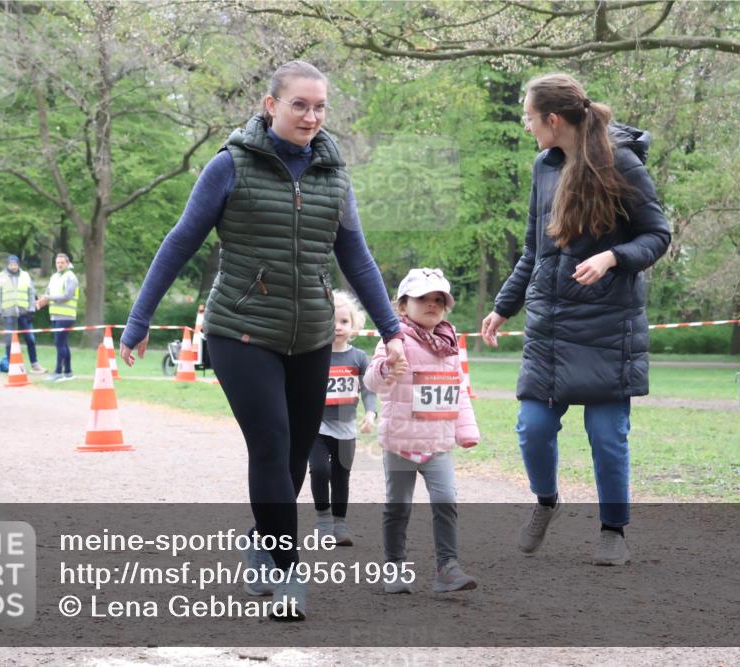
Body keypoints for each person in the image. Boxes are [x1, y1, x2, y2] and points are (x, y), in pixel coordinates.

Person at [118, 61, 405, 621]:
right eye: (300, 104)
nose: (312, 116)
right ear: (270, 105)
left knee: (295, 457)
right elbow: (180, 242)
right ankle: (289, 573)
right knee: (271, 444)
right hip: (240, 330)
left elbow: (356, 257)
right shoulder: (230, 166)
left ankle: (262, 539)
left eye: (320, 107)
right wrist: (139, 319)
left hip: (311, 334)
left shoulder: (334, 174)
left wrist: (392, 331)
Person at [480, 73, 671, 566]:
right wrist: (504, 306)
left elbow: (656, 235)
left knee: (608, 438)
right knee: (532, 427)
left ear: (553, 119)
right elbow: (534, 249)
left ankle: (613, 530)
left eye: (529, 117)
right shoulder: (543, 166)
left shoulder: (620, 162)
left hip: (610, 327)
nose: (526, 126)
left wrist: (612, 258)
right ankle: (546, 502)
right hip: (551, 328)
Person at [364, 268, 480, 595]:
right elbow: (371, 381)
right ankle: (395, 566)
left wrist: (466, 431)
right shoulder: (394, 340)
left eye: (438, 300)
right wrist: (387, 367)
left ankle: (448, 568)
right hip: (400, 443)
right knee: (398, 506)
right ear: (402, 306)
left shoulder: (449, 344)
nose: (432, 304)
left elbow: (458, 392)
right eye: (422, 299)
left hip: (438, 444)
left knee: (445, 500)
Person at [309, 290, 377, 547]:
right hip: (316, 427)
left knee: (341, 475)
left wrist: (371, 412)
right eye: (332, 320)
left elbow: (369, 389)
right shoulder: (315, 356)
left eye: (344, 322)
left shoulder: (359, 358)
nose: (337, 327)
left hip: (346, 427)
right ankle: (323, 521)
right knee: (319, 469)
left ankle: (340, 524)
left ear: (354, 325)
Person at [0, 255, 45, 374]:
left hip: (24, 312)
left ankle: (35, 364)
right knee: (9, 340)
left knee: (30, 339)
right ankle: (11, 365)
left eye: (15, 264)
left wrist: (32, 310)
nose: (13, 266)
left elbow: (31, 293)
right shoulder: (1, 276)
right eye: (11, 264)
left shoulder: (25, 275)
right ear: (8, 265)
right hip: (8, 312)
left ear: (18, 264)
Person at [36, 253, 79, 382]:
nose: (59, 265)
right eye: (57, 262)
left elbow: (67, 296)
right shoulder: (54, 277)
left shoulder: (71, 277)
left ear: (67, 263)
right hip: (55, 315)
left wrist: (48, 298)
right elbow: (48, 294)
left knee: (59, 343)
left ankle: (58, 372)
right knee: (63, 344)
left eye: (62, 262)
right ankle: (68, 372)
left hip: (66, 316)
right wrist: (40, 302)